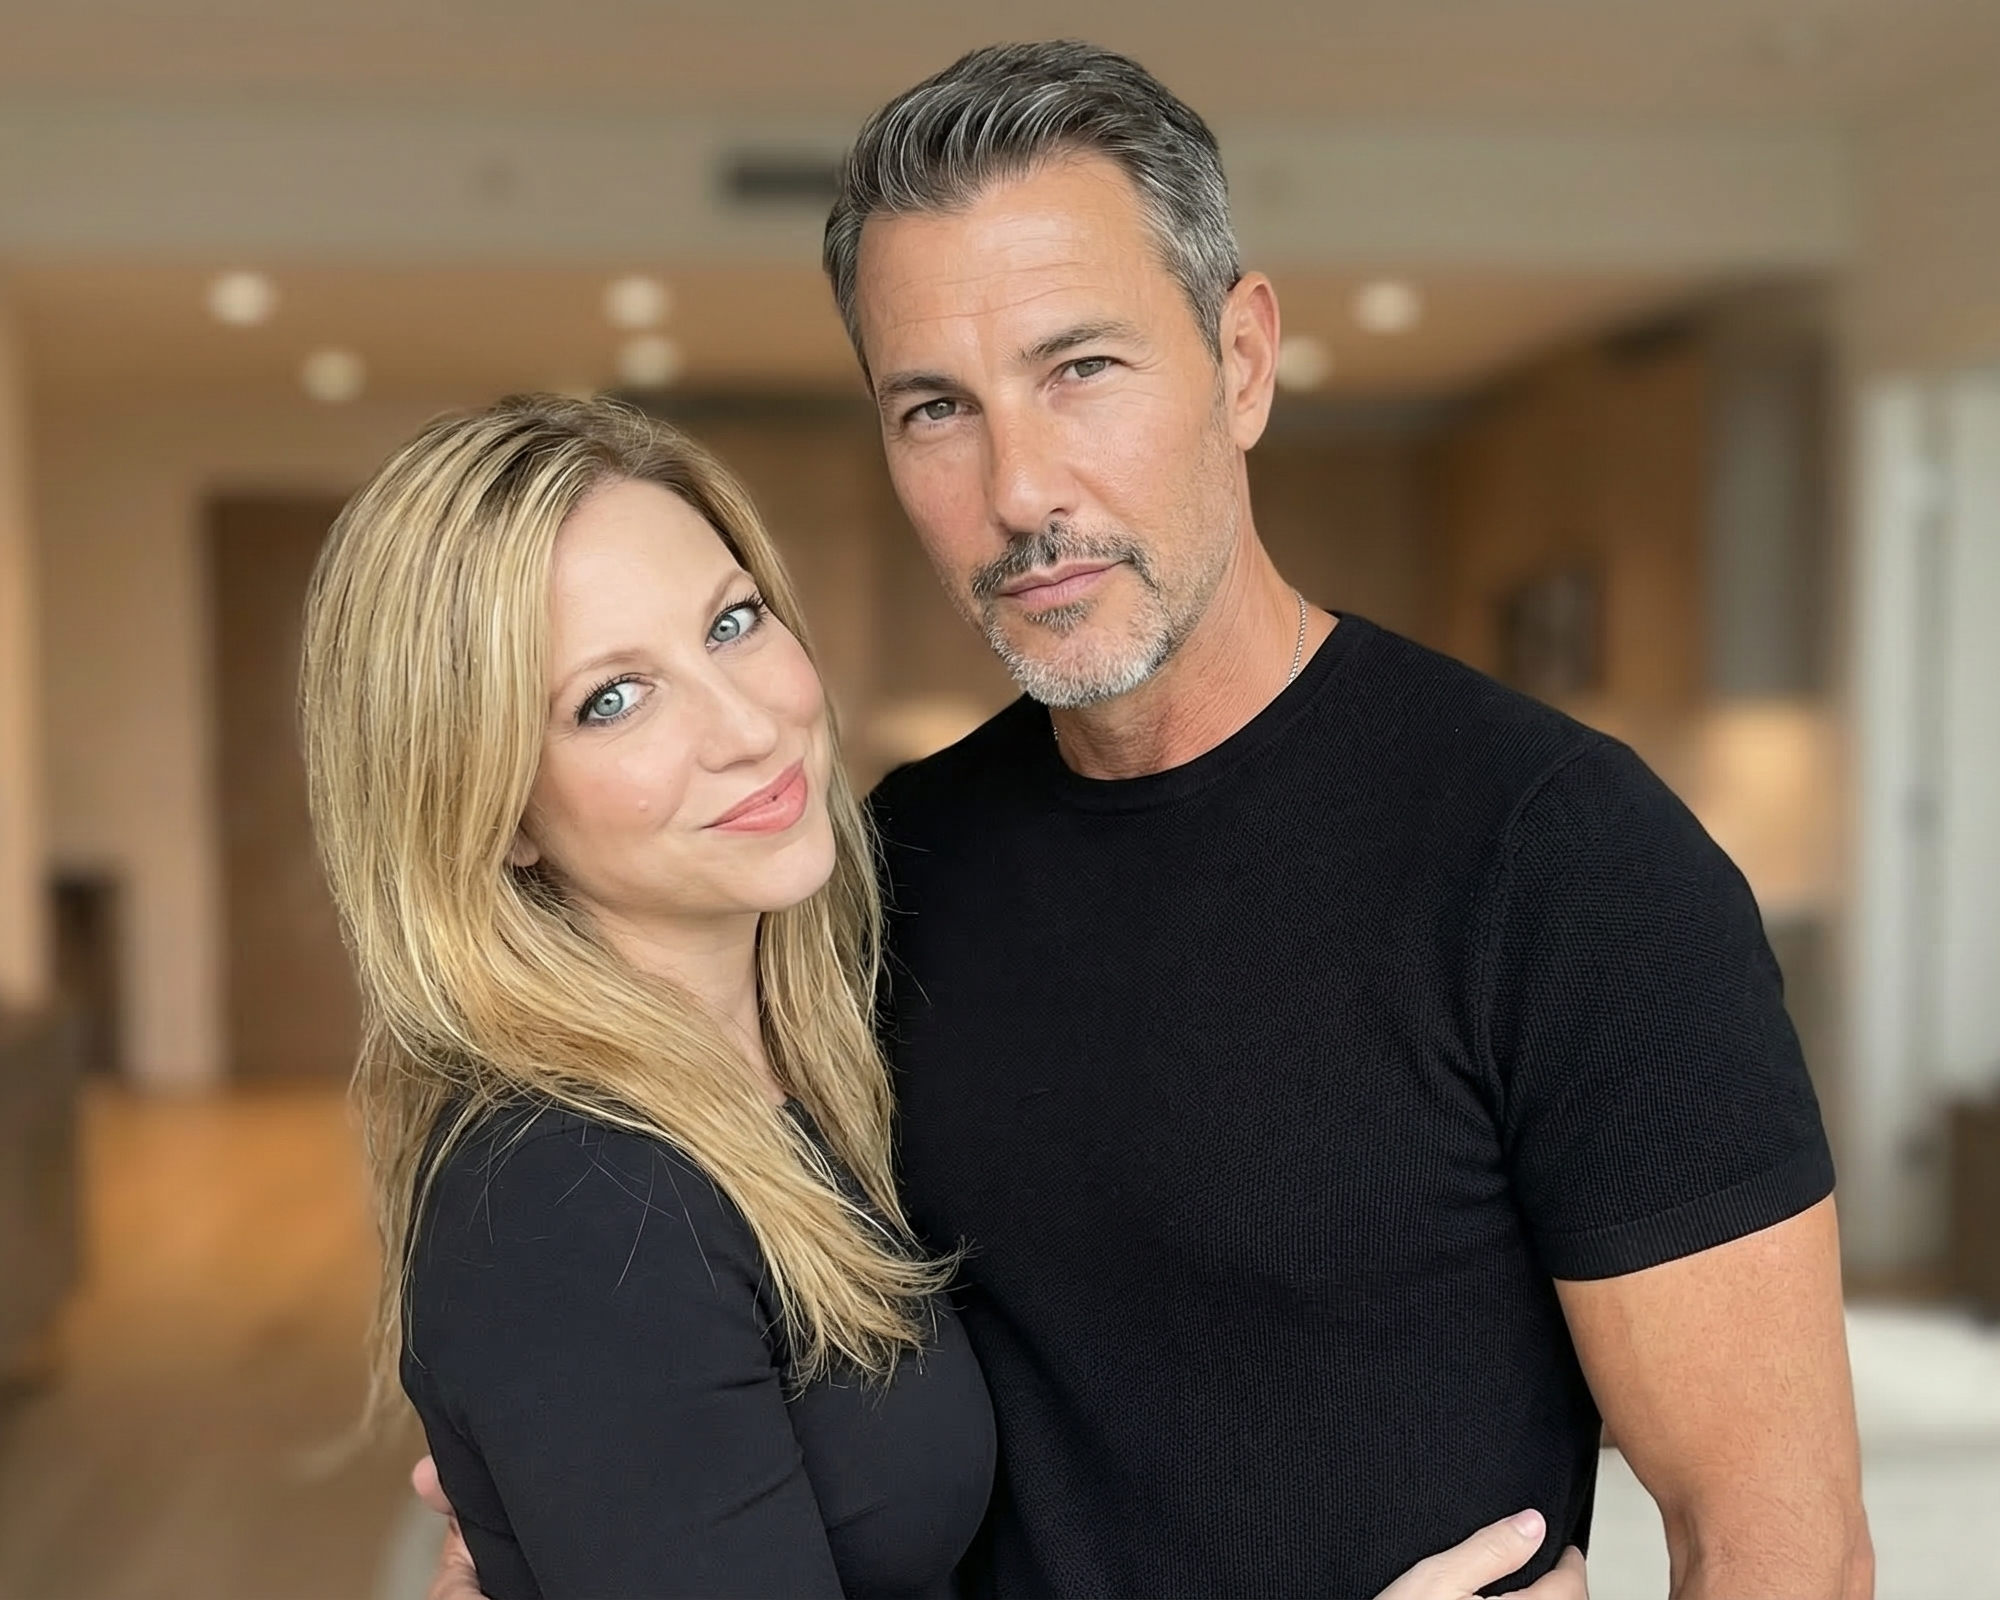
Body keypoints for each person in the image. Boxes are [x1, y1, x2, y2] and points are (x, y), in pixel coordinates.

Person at [424, 38, 1872, 1598]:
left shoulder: (1564, 862)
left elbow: (1778, 1547)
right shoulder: (876, 873)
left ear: (1241, 360)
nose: (1020, 487)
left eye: (1080, 368)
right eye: (934, 409)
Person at [312, 394, 1583, 1599]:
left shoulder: (804, 1060)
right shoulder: (576, 1197)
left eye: (731, 623)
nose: (744, 726)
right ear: (491, 808)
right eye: (610, 699)